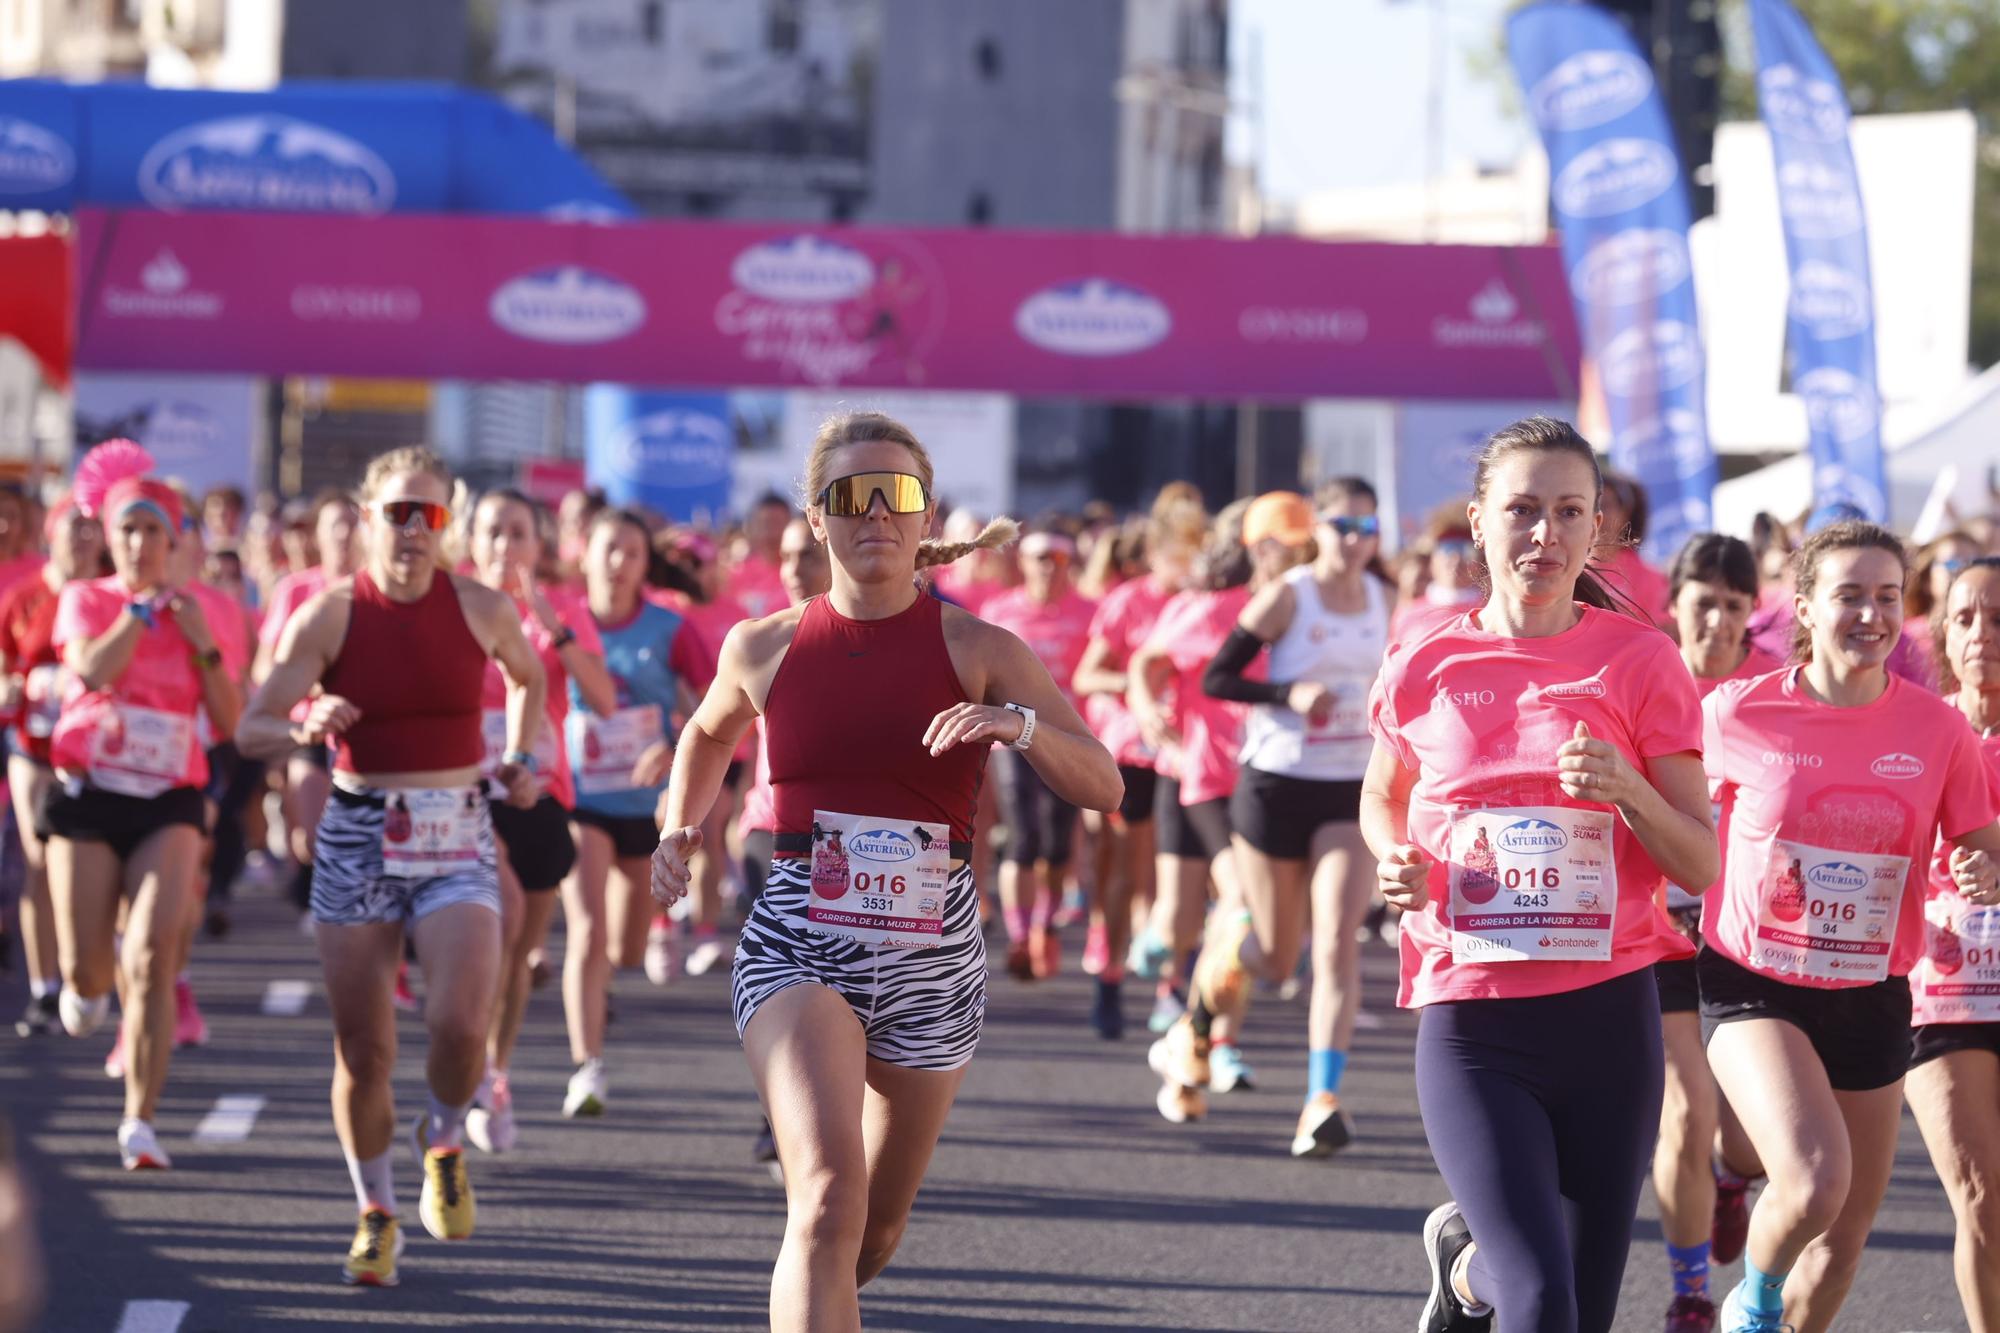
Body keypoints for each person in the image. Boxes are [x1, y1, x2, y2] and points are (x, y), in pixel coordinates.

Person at [649, 411, 1120, 1331]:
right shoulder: (764, 644)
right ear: (817, 519)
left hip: (932, 959)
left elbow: (1102, 781)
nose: (875, 514)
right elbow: (707, 732)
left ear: (923, 513)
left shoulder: (979, 648)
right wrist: (680, 826)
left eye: (894, 495)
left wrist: (1014, 727)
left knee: (872, 1229)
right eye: (850, 496)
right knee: (824, 1199)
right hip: (798, 944)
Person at [1361, 417, 1718, 1333]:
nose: (1544, 535)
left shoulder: (1640, 658)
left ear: (1598, 526)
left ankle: (1466, 1270)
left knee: (1581, 1310)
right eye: (1521, 510)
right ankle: (1487, 1271)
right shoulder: (1425, 662)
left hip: (1607, 1014)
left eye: (1569, 512)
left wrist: (1628, 788)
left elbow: (1700, 858)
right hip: (1474, 1015)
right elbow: (1383, 796)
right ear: (1478, 521)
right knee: (1542, 1298)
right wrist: (1392, 858)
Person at [236, 445, 546, 1286]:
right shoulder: (330, 616)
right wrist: (305, 716)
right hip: (361, 831)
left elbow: (528, 679)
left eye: (430, 513)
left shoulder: (481, 606)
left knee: (459, 1022)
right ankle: (375, 1211)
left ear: (446, 523)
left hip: (456, 827)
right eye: (398, 512)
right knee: (363, 1050)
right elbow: (249, 727)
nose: (414, 529)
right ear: (368, 518)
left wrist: (525, 753)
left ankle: (443, 1139)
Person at [1698, 521, 2000, 1333]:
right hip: (1753, 981)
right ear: (1803, 605)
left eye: (1888, 597)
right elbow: (1671, 809)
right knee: (1812, 1179)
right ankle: (1750, 1307)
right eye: (1849, 595)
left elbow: (1979, 837)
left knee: (1843, 1240)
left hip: (1872, 991)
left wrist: (1982, 864)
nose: (1871, 613)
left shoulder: (1938, 729)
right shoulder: (1737, 712)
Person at [46, 447, 246, 1172]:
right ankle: (83, 987)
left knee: (154, 953)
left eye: (151, 531)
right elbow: (91, 667)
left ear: (173, 540)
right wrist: (138, 612)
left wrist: (202, 649)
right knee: (90, 968)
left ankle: (140, 1118)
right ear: (109, 535)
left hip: (169, 796)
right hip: (93, 792)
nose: (137, 544)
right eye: (125, 529)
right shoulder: (88, 599)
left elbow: (227, 720)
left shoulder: (206, 614)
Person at [1196, 477, 1392, 1159]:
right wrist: (1287, 691)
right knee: (1277, 959)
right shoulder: (1290, 595)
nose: (1355, 540)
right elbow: (1217, 677)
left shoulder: (1383, 599)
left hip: (1347, 788)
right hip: (1277, 782)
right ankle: (1216, 971)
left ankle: (1322, 1098)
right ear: (1319, 529)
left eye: (1367, 528)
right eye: (1343, 526)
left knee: (1336, 940)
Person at [1138, 494, 1313, 1118]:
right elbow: (1148, 662)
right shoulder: (1214, 611)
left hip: (1270, 780)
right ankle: (1194, 1031)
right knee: (1216, 913)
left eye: (1299, 544)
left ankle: (1196, 1046)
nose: (1290, 555)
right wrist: (1147, 711)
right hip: (1208, 780)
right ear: (1252, 548)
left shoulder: (1308, 606)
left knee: (1243, 922)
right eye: (1278, 544)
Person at [1651, 534, 1782, 1331]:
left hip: (1748, 934)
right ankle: (1691, 1294)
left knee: (1753, 1137)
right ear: (1675, 602)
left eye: (1736, 605)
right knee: (1686, 1109)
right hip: (1658, 925)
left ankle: (1734, 1179)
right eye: (1705, 601)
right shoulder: (1641, 677)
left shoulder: (1769, 693)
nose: (1720, 620)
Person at [464, 489, 615, 1152]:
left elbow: (604, 700)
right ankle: (467, 1067)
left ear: (538, 544)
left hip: (541, 791)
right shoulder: (453, 605)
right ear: (470, 541)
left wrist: (550, 622)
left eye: (517, 533)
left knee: (522, 949)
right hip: (467, 792)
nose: (504, 545)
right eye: (492, 531)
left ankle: (494, 1071)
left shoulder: (564, 609)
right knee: (495, 920)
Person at [559, 507, 703, 1118]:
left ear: (647, 565)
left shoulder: (671, 629)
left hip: (648, 810)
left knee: (622, 947)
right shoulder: (559, 625)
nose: (618, 563)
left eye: (632, 553)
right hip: (580, 802)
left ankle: (604, 991)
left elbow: (711, 714)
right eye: (608, 549)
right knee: (587, 934)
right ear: (584, 553)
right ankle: (587, 1068)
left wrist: (672, 750)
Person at [1905, 554, 2000, 1332]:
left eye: (1999, 618)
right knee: (1979, 1191)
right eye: (1965, 617)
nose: (1981, 634)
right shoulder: (1917, 731)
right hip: (1944, 990)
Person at [1072, 498, 1204, 1038]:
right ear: (1154, 554)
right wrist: (1138, 684)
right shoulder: (1129, 601)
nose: (1187, 566)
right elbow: (1086, 676)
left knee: (1174, 880)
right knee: (1126, 871)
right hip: (1128, 753)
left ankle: (1171, 988)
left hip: (1184, 754)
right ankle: (1108, 980)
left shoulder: (1201, 602)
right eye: (1179, 555)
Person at [0, 500, 103, 1037]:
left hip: (100, 751)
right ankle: (45, 988)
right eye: (73, 527)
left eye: (92, 528)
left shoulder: (113, 595)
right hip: (34, 746)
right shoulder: (24, 596)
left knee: (96, 864)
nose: (84, 538)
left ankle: (88, 974)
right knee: (42, 859)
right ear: (51, 532)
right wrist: (13, 688)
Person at [979, 529, 1099, 984]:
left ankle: (1044, 926)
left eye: (1058, 559)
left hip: (1065, 740)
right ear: (1023, 563)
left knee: (1055, 845)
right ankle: (1019, 935)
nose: (1048, 567)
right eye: (1039, 558)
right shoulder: (1000, 612)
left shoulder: (1087, 613)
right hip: (1009, 739)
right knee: (1022, 839)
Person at [255, 492, 362, 922]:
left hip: (369, 732)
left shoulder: (381, 590)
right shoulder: (296, 590)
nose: (343, 534)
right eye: (333, 524)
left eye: (352, 524)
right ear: (317, 535)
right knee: (312, 838)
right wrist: (311, 684)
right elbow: (266, 669)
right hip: (311, 730)